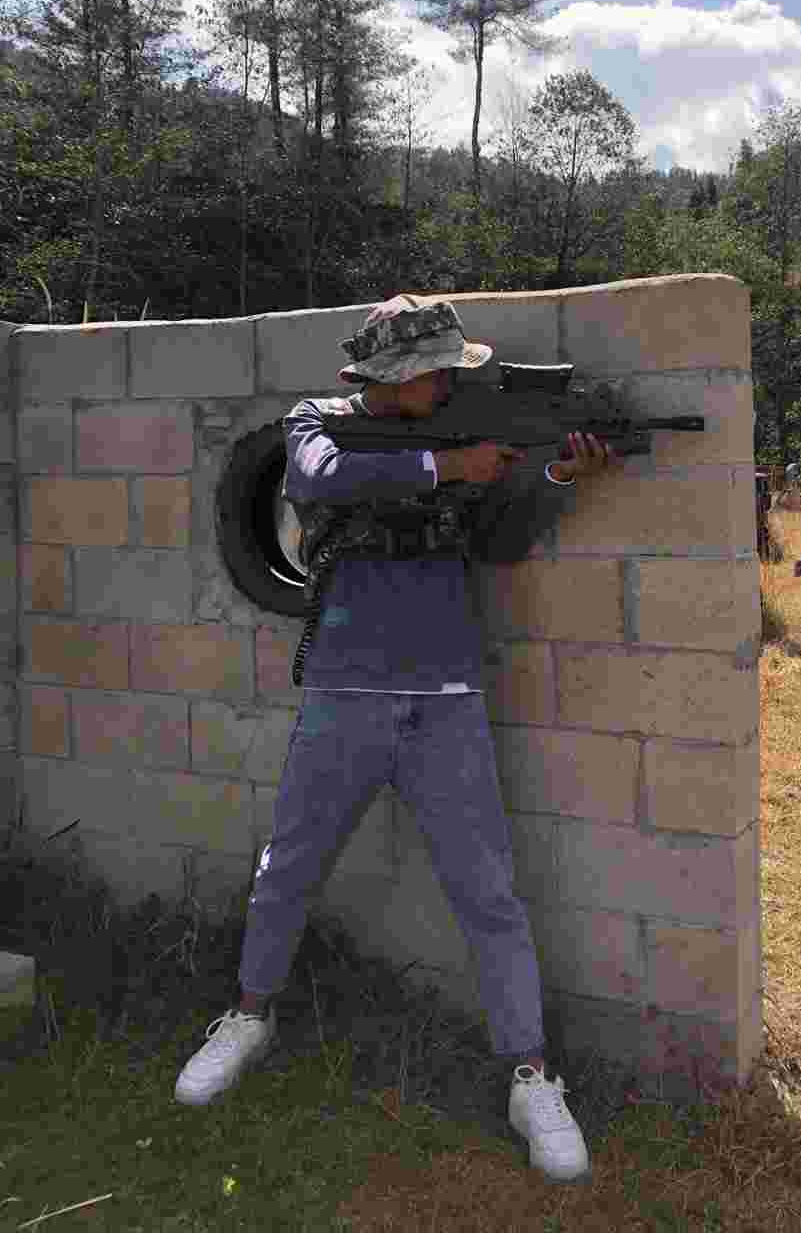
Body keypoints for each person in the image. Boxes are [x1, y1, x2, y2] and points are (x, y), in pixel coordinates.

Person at [174, 294, 625, 1184]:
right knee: (288, 868)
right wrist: (446, 463)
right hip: (343, 692)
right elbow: (314, 478)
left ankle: (531, 1075)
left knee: (489, 895)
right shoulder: (320, 422)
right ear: (394, 377)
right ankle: (249, 1017)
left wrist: (556, 476)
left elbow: (499, 543)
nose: (451, 381)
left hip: (446, 698)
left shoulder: (461, 436)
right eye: (436, 372)